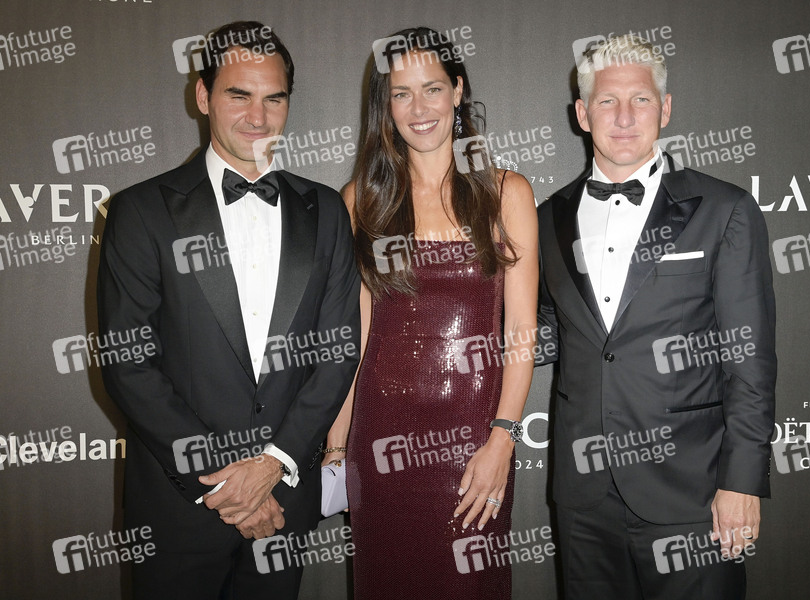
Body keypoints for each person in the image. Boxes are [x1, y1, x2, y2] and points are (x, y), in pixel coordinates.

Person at [97, 21, 360, 599]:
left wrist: (272, 465)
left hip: (284, 500)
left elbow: (339, 353)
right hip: (180, 506)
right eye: (238, 95)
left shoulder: (326, 211)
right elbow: (128, 364)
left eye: (274, 98)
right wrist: (228, 486)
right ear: (203, 95)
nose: (257, 117)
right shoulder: (141, 211)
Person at [536, 34, 776, 599]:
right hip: (584, 497)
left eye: (640, 100)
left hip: (692, 491)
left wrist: (741, 482)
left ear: (665, 109)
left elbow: (749, 360)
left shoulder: (724, 209)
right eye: (607, 101)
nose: (624, 117)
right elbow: (548, 332)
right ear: (581, 114)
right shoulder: (546, 218)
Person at [323, 26, 538, 599]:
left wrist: (502, 438)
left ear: (458, 90)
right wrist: (337, 446)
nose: (419, 109)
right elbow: (357, 335)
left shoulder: (506, 193)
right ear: (385, 105)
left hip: (474, 442)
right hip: (381, 443)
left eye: (432, 88)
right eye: (401, 93)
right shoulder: (361, 201)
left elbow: (520, 330)